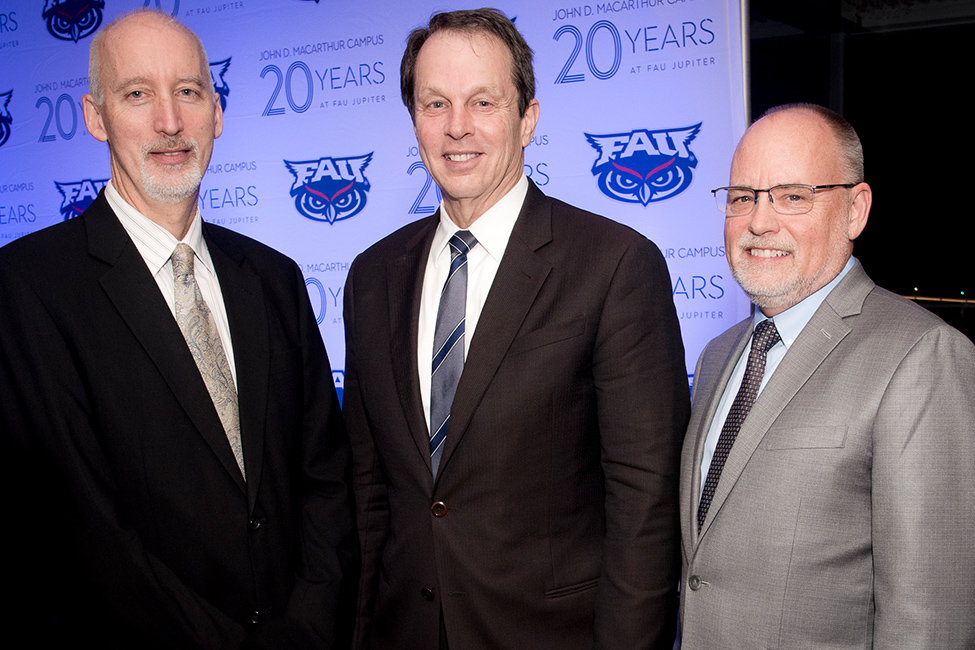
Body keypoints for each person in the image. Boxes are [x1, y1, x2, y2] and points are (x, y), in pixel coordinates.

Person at [0, 10, 357, 649]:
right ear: (95, 116)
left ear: (217, 113)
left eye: (188, 91)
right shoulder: (29, 286)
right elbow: (83, 529)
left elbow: (325, 480)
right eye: (137, 94)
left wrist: (307, 628)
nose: (169, 121)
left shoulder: (274, 276)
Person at [343, 8, 689, 650]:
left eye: (483, 102)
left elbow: (645, 504)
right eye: (435, 103)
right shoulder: (371, 277)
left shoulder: (613, 265)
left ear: (528, 118)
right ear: (413, 120)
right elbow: (370, 494)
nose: (457, 128)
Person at [679, 103, 975, 648]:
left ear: (856, 211)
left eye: (793, 196)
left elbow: (928, 618)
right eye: (742, 197)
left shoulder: (922, 356)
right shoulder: (717, 356)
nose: (759, 221)